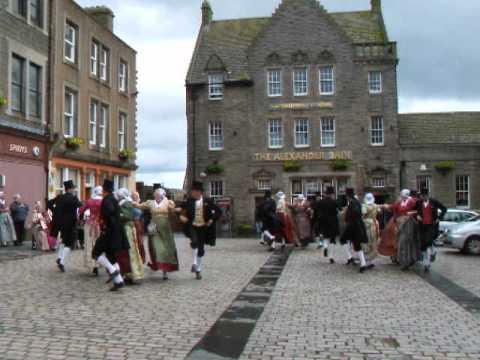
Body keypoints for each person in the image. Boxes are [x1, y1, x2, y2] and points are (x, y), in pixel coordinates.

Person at [134, 188, 179, 280]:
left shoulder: (168, 202)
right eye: (156, 195)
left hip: (165, 227)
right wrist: (131, 203)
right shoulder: (150, 202)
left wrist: (175, 211)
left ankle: (165, 271)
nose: (157, 197)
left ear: (163, 195)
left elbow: (173, 211)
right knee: (154, 247)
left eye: (159, 195)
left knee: (165, 248)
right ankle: (156, 264)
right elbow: (140, 206)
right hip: (153, 226)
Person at [92, 179, 129, 291]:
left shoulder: (107, 200)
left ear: (104, 190)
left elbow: (110, 213)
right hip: (116, 231)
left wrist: (105, 226)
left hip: (110, 231)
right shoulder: (113, 199)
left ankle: (113, 271)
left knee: (96, 253)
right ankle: (119, 281)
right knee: (112, 256)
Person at [180, 181, 221, 280]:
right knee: (194, 242)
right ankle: (194, 264)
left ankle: (198, 270)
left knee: (201, 249)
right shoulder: (189, 201)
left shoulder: (207, 201)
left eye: (195, 191)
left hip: (203, 227)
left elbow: (218, 211)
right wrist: (181, 216)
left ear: (200, 192)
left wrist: (211, 219)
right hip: (192, 226)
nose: (193, 193)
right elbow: (181, 210)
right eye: (192, 191)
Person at [379, 189, 420, 270]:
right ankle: (404, 261)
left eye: (402, 195)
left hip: (409, 225)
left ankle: (409, 260)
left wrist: (412, 213)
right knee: (401, 242)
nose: (401, 196)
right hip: (400, 225)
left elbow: (420, 209)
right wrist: (383, 205)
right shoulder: (400, 202)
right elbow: (391, 207)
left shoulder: (413, 201)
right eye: (401, 195)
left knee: (408, 242)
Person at [51, 180, 81, 272]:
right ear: (70, 189)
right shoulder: (73, 198)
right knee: (69, 243)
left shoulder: (60, 197)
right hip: (71, 223)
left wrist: (54, 211)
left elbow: (49, 203)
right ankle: (62, 262)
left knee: (64, 241)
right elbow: (80, 206)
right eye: (73, 188)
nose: (74, 190)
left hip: (61, 223)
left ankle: (59, 258)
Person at [117, 188, 144, 284]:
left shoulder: (127, 203)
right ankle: (129, 273)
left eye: (119, 196)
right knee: (128, 252)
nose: (118, 198)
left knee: (129, 251)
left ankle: (132, 273)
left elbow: (127, 215)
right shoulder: (127, 203)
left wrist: (118, 215)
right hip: (127, 229)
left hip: (127, 230)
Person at [341, 188, 371, 273]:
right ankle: (360, 262)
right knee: (354, 243)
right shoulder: (355, 202)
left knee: (354, 243)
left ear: (347, 196)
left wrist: (350, 218)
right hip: (355, 225)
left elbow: (355, 213)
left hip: (354, 226)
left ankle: (361, 263)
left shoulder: (353, 203)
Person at [416, 188, 446, 272]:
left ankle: (431, 254)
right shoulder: (418, 202)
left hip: (431, 225)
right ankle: (427, 263)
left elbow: (444, 209)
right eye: (422, 196)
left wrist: (439, 218)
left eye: (425, 196)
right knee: (423, 245)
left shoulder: (434, 202)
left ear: (428, 195)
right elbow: (415, 210)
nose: (423, 197)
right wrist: (417, 215)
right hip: (422, 226)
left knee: (428, 241)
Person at [79, 186, 103, 276]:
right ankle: (97, 264)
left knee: (89, 244)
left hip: (89, 224)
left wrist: (81, 218)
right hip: (99, 225)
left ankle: (92, 265)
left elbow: (80, 210)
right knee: (98, 244)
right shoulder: (103, 201)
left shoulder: (89, 201)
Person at [315, 187, 339, 264]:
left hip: (323, 221)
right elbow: (339, 209)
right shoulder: (334, 201)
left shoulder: (321, 202)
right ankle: (331, 257)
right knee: (332, 239)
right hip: (333, 221)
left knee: (325, 236)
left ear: (326, 193)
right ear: (332, 194)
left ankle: (325, 247)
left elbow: (316, 211)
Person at [362, 193, 381, 263]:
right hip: (374, 223)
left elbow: (363, 213)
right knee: (373, 240)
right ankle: (371, 260)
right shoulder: (375, 205)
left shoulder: (364, 206)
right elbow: (379, 212)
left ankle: (366, 259)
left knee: (366, 241)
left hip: (366, 224)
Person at [131, 192, 146, 264]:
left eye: (136, 196)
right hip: (132, 224)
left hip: (139, 224)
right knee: (134, 242)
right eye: (133, 196)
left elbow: (143, 215)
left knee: (140, 242)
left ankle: (141, 258)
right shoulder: (130, 204)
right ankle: (135, 259)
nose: (134, 197)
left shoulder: (141, 204)